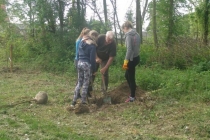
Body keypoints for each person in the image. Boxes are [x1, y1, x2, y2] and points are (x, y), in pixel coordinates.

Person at [71, 32, 97, 107]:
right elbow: (92, 59)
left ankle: (74, 101)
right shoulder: (92, 46)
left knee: (79, 82)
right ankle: (83, 101)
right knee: (86, 83)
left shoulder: (81, 43)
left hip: (79, 63)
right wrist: (94, 70)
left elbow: (78, 55)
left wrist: (78, 62)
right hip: (86, 65)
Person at [121, 21, 140, 102]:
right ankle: (133, 91)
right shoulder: (137, 34)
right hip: (137, 57)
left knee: (131, 78)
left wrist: (126, 61)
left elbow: (129, 50)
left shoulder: (128, 35)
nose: (123, 31)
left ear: (126, 27)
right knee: (127, 75)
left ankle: (132, 97)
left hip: (131, 59)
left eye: (123, 30)